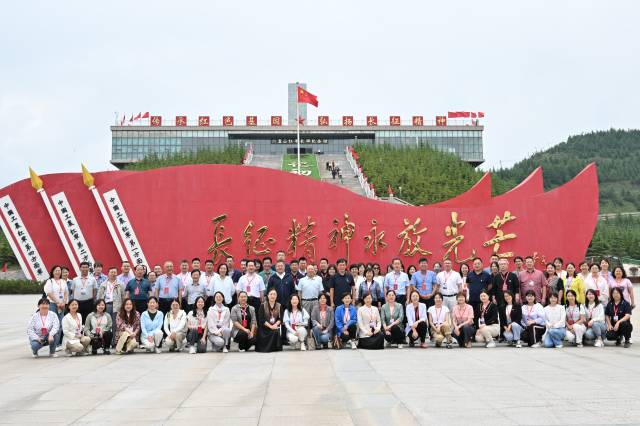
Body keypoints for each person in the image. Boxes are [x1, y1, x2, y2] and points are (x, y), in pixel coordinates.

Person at [97, 266, 124, 346]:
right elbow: (99, 296)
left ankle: (115, 342)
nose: (113, 274)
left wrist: (122, 307)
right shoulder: (103, 284)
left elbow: (123, 296)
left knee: (116, 324)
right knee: (105, 324)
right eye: (112, 272)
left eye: (115, 272)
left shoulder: (120, 284)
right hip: (106, 305)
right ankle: (105, 342)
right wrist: (99, 307)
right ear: (108, 274)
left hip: (117, 306)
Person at [43, 265, 67, 349]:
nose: (58, 272)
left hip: (62, 305)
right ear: (53, 272)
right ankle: (52, 344)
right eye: (56, 270)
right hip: (53, 304)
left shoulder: (63, 281)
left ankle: (57, 344)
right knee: (53, 325)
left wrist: (63, 302)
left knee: (60, 324)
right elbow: (49, 293)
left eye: (59, 270)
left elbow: (66, 292)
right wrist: (57, 302)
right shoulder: (50, 281)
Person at [256, 288, 283, 352]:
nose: (272, 296)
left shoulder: (279, 305)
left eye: (274, 294)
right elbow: (261, 319)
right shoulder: (263, 305)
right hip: (264, 327)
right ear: (267, 296)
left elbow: (280, 318)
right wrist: (270, 326)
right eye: (271, 294)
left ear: (276, 296)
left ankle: (273, 348)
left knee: (275, 331)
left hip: (274, 325)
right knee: (264, 332)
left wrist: (275, 325)